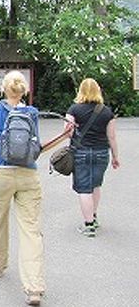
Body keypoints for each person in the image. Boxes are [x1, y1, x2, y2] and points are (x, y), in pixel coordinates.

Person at [0, 70, 44, 307]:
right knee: (30, 229)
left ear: (3, 88)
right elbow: (37, 145)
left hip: (1, 173)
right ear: (23, 90)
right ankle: (34, 286)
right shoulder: (31, 112)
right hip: (28, 174)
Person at [65, 78, 120, 237]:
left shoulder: (74, 109)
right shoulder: (107, 112)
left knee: (84, 188)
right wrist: (115, 157)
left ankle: (88, 225)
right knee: (95, 185)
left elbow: (67, 132)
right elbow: (112, 137)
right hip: (101, 153)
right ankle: (93, 217)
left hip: (81, 152)